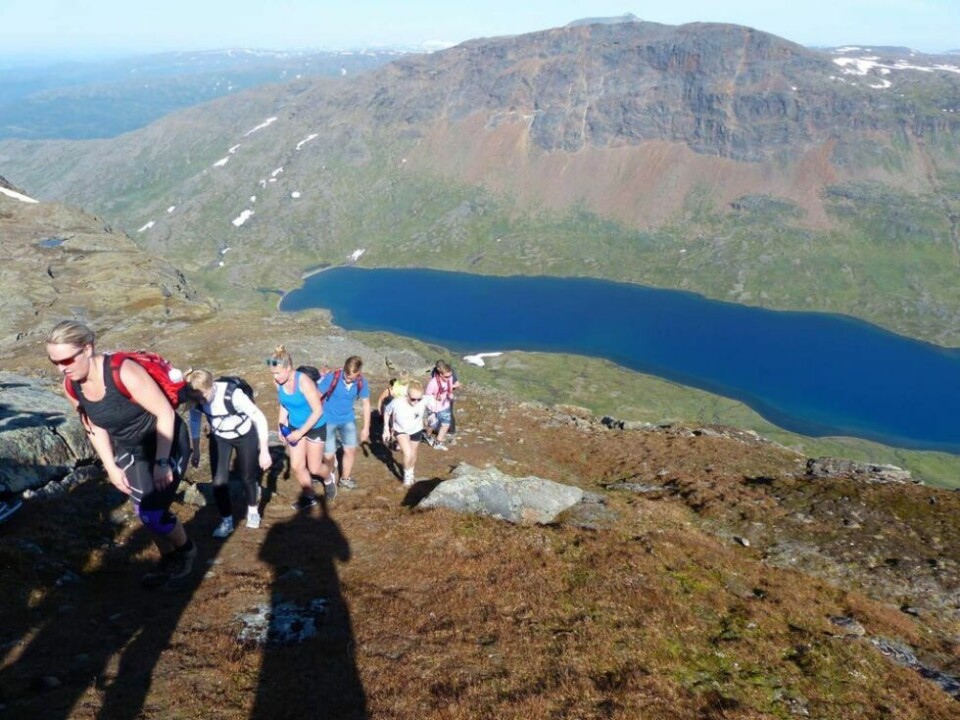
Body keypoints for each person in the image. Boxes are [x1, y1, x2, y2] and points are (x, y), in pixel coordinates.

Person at [46, 320, 196, 590]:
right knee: (142, 511)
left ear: (88, 349)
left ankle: (187, 551)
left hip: (166, 442)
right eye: (54, 361)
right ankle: (168, 558)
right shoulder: (72, 386)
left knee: (152, 512)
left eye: (67, 359)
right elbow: (93, 426)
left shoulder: (122, 372)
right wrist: (111, 468)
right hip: (132, 451)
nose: (62, 368)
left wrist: (162, 462)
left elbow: (165, 413)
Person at [185, 370, 272, 537]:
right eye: (197, 398)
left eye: (203, 396)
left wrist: (265, 450)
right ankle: (227, 520)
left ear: (211, 386)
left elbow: (259, 417)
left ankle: (253, 511)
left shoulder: (233, 395)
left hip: (245, 435)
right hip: (220, 438)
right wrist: (195, 450)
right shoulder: (196, 399)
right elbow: (194, 421)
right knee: (218, 482)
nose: (201, 401)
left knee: (247, 476)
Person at [269, 345, 335, 507]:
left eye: (278, 373)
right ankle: (309, 497)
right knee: (297, 466)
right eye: (273, 373)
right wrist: (281, 425)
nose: (275, 377)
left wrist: (300, 433)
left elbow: (317, 411)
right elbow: (284, 404)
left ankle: (328, 479)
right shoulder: (279, 382)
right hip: (294, 426)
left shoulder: (303, 381)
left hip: (314, 426)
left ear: (288, 368)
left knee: (314, 468)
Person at [317, 356, 371, 490]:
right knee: (327, 456)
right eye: (346, 375)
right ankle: (330, 473)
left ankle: (345, 479)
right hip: (327, 419)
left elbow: (366, 404)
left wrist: (366, 428)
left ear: (358, 373)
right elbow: (317, 395)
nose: (347, 379)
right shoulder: (332, 378)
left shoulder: (362, 382)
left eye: (351, 377)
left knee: (350, 450)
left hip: (347, 420)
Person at [382, 380, 429, 487]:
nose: (416, 402)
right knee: (407, 453)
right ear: (407, 395)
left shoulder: (424, 400)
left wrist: (433, 415)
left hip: (416, 429)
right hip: (401, 430)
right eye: (413, 399)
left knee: (413, 453)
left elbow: (435, 405)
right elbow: (387, 412)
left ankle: (411, 472)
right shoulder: (397, 402)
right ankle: (407, 477)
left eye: (419, 399)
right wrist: (386, 428)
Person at [424, 360, 460, 451]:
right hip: (434, 407)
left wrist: (450, 394)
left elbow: (450, 387)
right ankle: (427, 436)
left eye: (450, 376)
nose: (449, 378)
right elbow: (427, 395)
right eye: (446, 376)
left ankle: (438, 443)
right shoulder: (433, 383)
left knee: (446, 424)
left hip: (445, 406)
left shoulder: (450, 379)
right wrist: (435, 397)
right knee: (431, 424)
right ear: (440, 374)